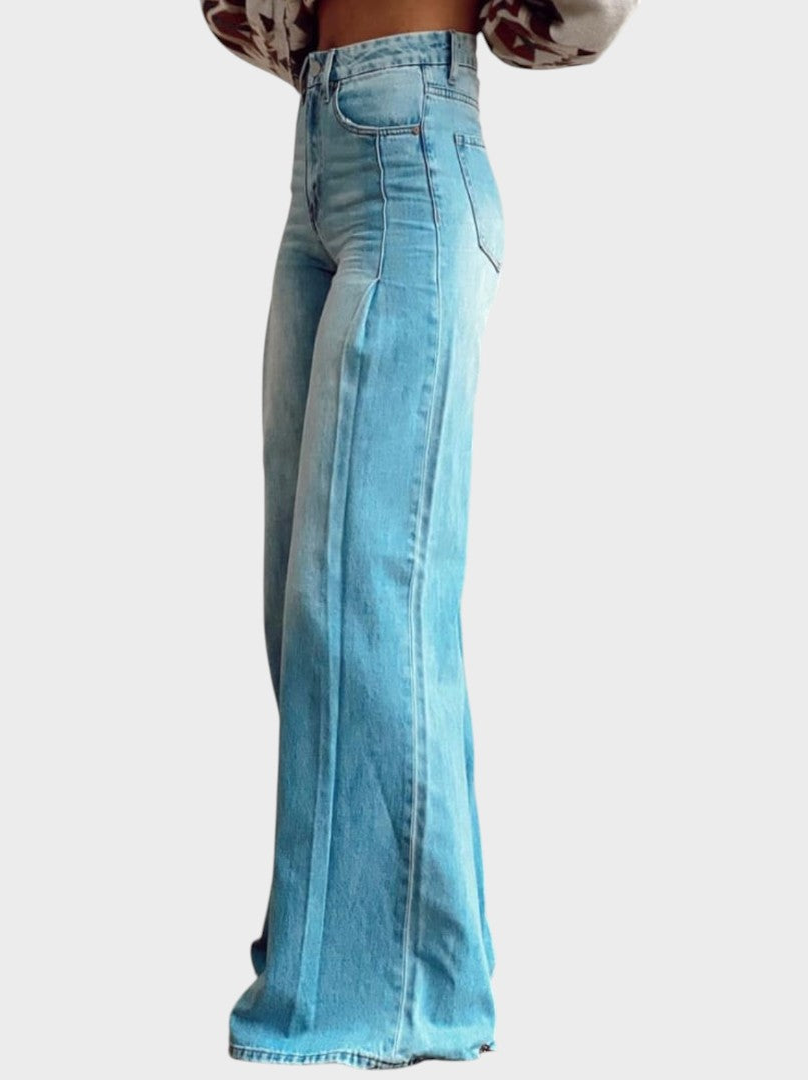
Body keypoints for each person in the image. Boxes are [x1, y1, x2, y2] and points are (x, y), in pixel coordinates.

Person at [200, 1, 637, 1068]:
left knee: (362, 595)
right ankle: (411, 970)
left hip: (414, 145)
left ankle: (375, 1001)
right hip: (320, 153)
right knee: (308, 604)